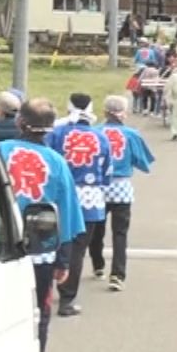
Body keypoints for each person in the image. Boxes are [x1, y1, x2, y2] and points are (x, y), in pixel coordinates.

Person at [0, 98, 84, 352]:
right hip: (41, 247)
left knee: (1, 310)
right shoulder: (56, 162)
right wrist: (63, 259)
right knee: (38, 310)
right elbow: (67, 215)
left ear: (19, 122)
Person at [44, 106, 109, 316]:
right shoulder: (101, 137)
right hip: (90, 197)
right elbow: (107, 170)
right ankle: (67, 299)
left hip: (60, 194)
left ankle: (43, 293)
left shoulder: (59, 134)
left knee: (50, 244)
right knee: (78, 250)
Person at [94, 95, 156, 290]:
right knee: (120, 233)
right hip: (121, 188)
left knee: (96, 229)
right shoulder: (131, 134)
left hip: (98, 187)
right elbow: (144, 163)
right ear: (124, 113)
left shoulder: (95, 133)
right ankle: (118, 275)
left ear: (104, 112)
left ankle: (98, 265)